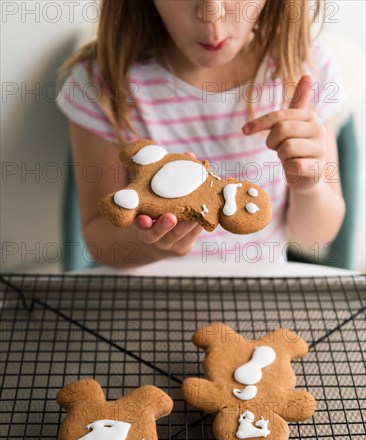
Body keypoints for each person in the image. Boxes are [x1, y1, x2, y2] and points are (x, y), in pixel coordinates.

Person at [57, 0, 347, 268]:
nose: (212, 16)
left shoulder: (307, 68)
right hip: (150, 302)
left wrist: (309, 185)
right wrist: (156, 246)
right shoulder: (100, 83)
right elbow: (99, 240)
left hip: (259, 292)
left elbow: (316, 239)